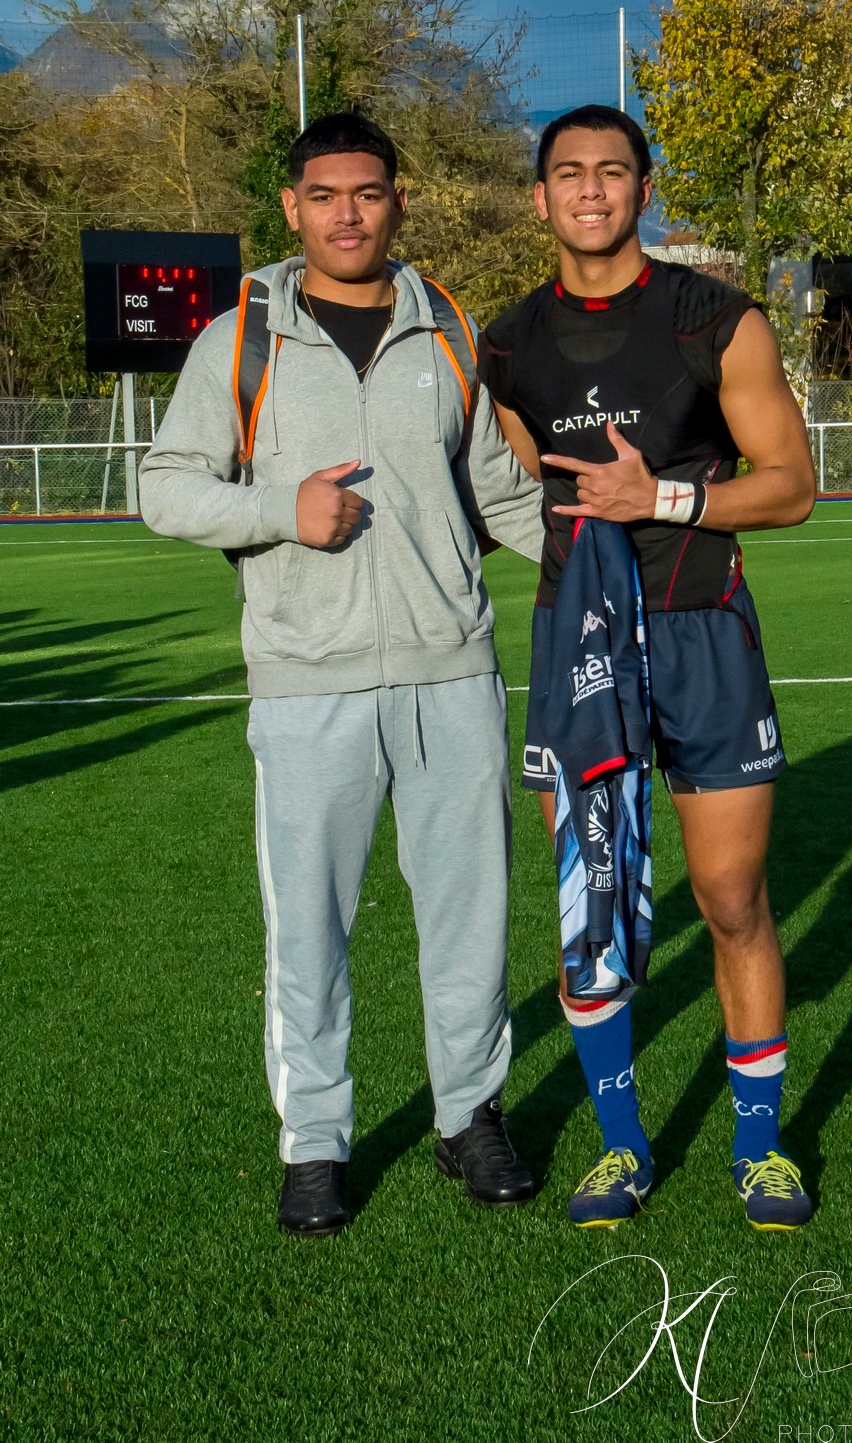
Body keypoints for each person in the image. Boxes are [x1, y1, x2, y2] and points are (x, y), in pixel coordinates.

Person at [140, 112, 543, 1236]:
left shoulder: (449, 330)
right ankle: (314, 1143)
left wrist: (618, 561)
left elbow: (503, 498)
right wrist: (283, 510)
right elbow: (165, 486)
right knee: (307, 931)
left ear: (397, 201)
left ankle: (468, 1119)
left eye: (367, 193)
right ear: (291, 209)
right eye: (324, 195)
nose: (347, 214)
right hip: (305, 683)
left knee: (468, 918)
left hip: (449, 675)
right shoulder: (236, 342)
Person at [478, 104, 817, 1232]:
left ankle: (758, 1148)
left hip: (702, 627)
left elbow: (790, 484)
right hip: (578, 645)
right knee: (595, 911)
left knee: (727, 897)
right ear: (539, 197)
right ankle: (622, 1147)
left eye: (611, 172)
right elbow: (519, 487)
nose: (589, 190)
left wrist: (662, 497)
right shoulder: (505, 343)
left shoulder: (712, 318)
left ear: (642, 188)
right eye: (567, 174)